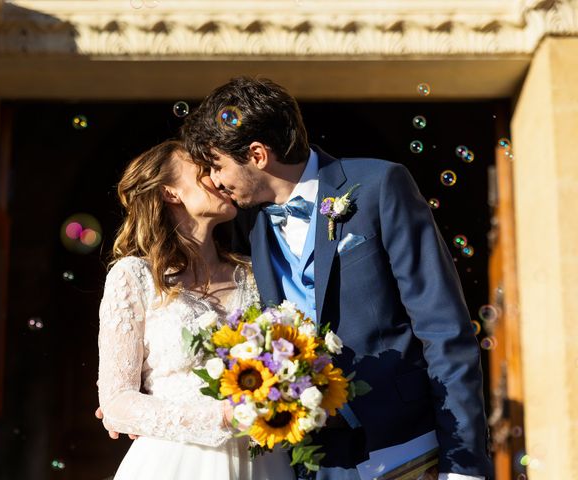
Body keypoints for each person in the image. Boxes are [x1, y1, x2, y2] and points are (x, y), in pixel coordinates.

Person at [178, 77, 493, 480]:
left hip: (410, 447)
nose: (215, 181)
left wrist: (464, 462)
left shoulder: (379, 186)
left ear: (257, 154)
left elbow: (443, 327)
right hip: (316, 460)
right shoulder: (246, 225)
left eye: (218, 165)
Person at [96, 140, 295, 480]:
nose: (219, 179)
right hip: (173, 463)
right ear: (170, 192)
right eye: (205, 172)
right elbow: (115, 404)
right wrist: (222, 416)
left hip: (263, 462)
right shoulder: (134, 276)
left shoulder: (256, 272)